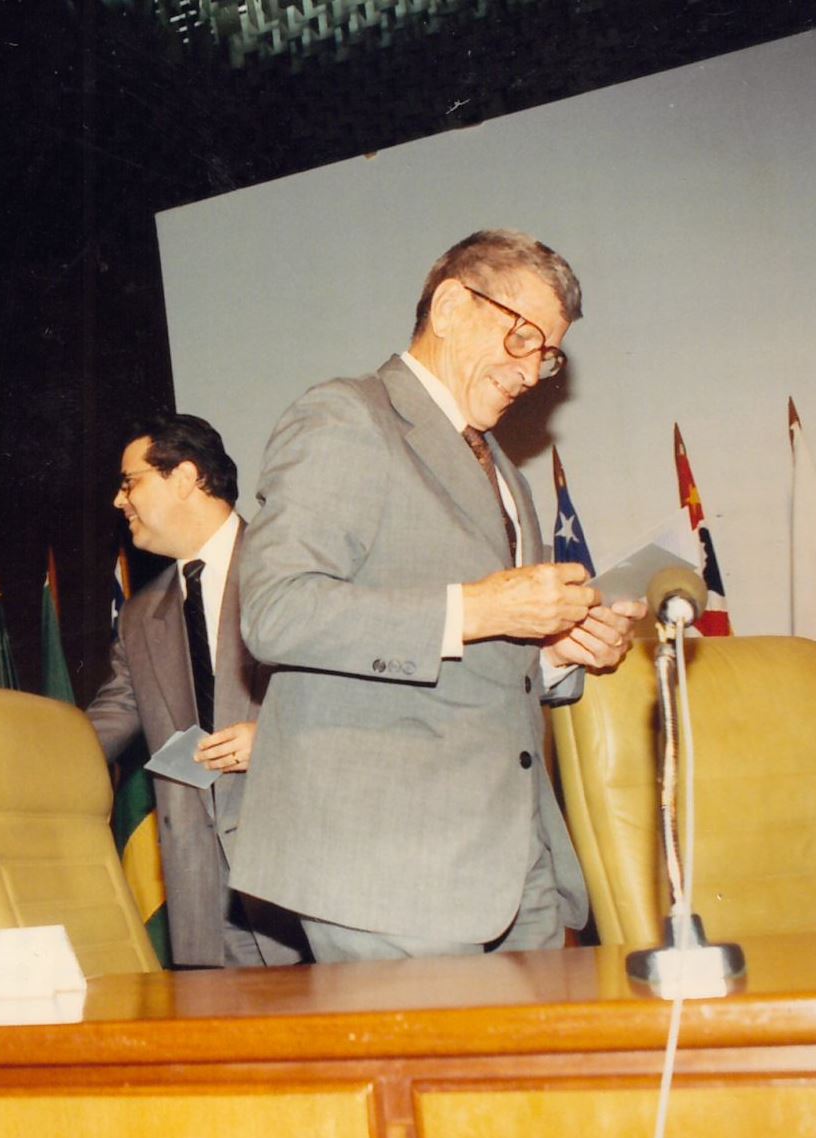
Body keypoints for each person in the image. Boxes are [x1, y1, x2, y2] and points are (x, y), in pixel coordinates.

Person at [233, 229, 647, 963]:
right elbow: (277, 611)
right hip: (389, 865)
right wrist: (481, 609)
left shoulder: (504, 472)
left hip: (516, 863)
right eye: (523, 338)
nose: (532, 372)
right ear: (452, 306)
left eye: (547, 355)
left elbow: (485, 654)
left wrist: (556, 650)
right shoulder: (346, 416)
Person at [86, 416, 305, 967]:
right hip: (203, 897)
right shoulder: (139, 616)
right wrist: (10, 758)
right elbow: (107, 721)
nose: (119, 500)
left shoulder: (294, 571)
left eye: (129, 482)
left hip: (298, 877)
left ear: (184, 477)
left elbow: (358, 692)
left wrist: (277, 737)